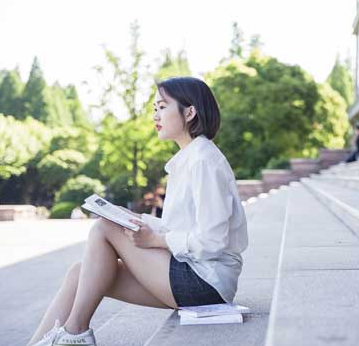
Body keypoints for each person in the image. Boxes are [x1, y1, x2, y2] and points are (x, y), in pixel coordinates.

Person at [27, 77, 249, 346]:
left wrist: (156, 240)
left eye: (163, 107)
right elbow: (181, 227)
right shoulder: (190, 158)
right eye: (154, 108)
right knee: (79, 272)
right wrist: (134, 218)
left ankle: (75, 334)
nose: (155, 115)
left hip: (206, 283)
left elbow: (212, 241)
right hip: (191, 276)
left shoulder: (203, 160)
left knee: (104, 228)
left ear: (189, 112)